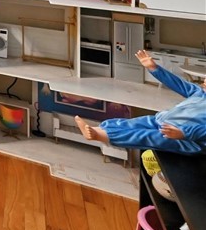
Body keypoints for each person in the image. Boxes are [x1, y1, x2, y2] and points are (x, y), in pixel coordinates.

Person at [75, 49, 206, 154]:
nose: (204, 81)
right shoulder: (199, 93)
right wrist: (154, 68)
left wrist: (184, 133)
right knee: (129, 124)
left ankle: (99, 135)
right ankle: (99, 129)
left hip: (185, 137)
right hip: (161, 120)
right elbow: (177, 83)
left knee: (145, 136)